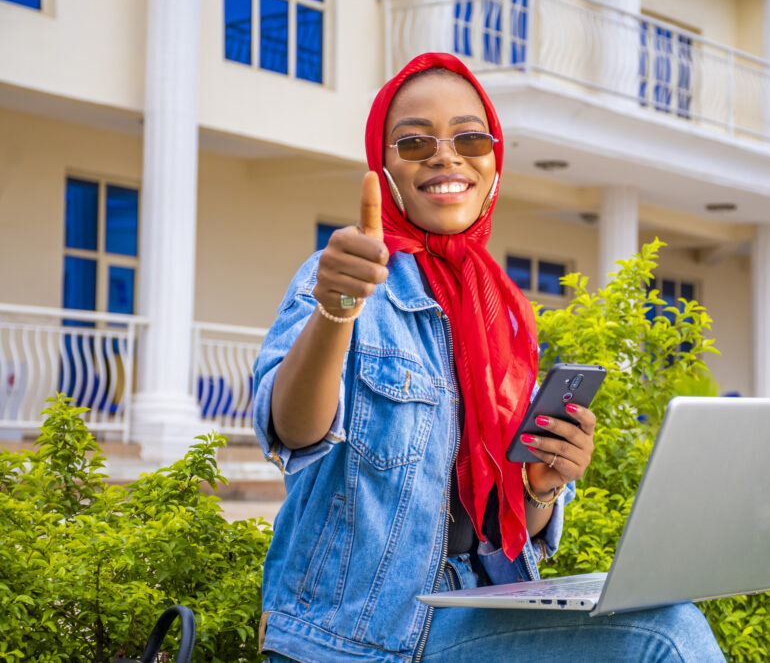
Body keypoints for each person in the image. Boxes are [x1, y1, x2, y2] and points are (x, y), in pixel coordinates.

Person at [253, 52, 725, 662]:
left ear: (494, 158)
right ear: (383, 163)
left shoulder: (498, 311)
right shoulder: (344, 277)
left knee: (656, 616)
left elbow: (507, 530)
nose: (446, 156)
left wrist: (542, 487)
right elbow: (292, 429)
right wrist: (337, 311)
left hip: (479, 608)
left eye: (470, 137)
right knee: (667, 635)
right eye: (414, 142)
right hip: (359, 638)